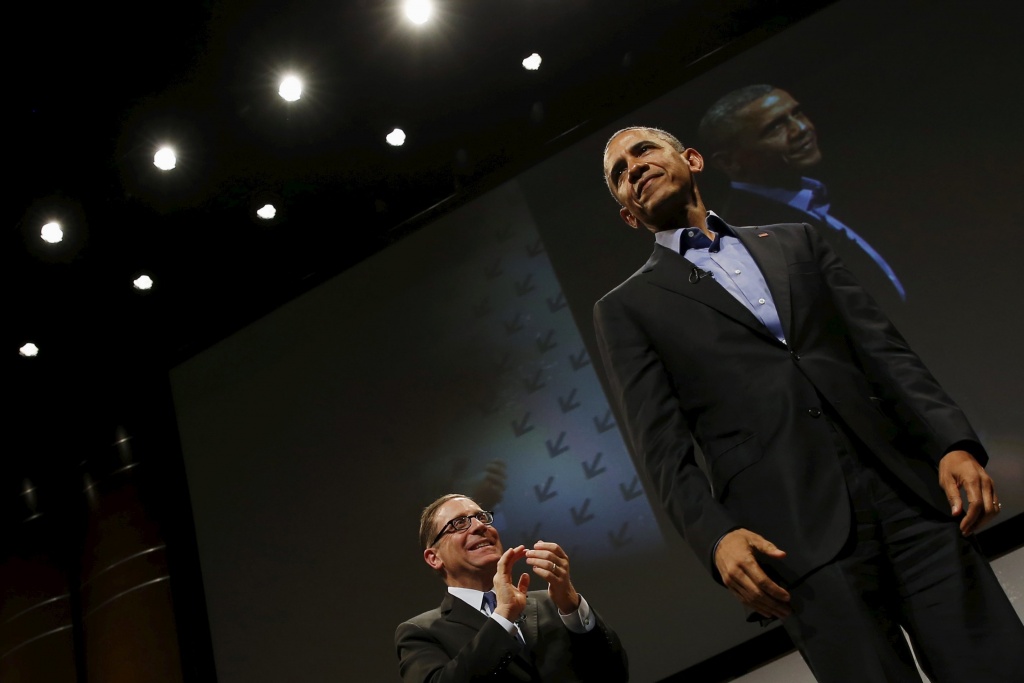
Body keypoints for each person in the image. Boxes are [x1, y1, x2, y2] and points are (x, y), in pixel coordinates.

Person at [594, 126, 1024, 681]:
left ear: (692, 160)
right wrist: (716, 538)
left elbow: (884, 351)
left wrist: (953, 443)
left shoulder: (796, 240)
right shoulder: (627, 308)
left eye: (643, 151)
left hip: (907, 497)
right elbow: (662, 448)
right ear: (629, 214)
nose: (633, 168)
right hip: (794, 540)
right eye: (619, 174)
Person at [698, 85, 906, 308]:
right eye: (775, 127)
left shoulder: (830, 192)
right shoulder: (747, 237)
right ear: (727, 162)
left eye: (796, 113)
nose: (801, 128)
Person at [395, 493, 628, 682]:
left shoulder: (554, 604)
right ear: (434, 558)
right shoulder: (420, 632)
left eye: (482, 517)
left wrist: (572, 607)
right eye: (459, 523)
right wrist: (503, 615)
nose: (479, 526)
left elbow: (614, 674)